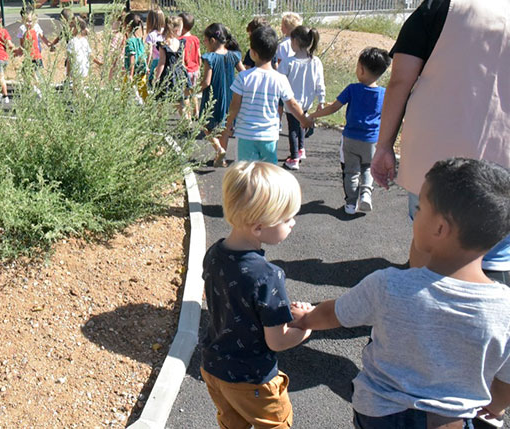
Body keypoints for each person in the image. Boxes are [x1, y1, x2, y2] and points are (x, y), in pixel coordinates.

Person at [292, 158, 510, 429]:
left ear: (439, 228)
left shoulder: (388, 285)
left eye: (420, 209)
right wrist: (496, 405)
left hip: (380, 413)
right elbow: (506, 381)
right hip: (448, 421)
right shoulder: (505, 309)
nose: (415, 215)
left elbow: (334, 313)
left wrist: (306, 318)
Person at [371, 0, 510, 272]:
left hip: (434, 159)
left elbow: (400, 80)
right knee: (496, 255)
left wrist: (384, 146)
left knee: (428, 246)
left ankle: (418, 315)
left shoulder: (445, 1)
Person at [201, 161, 313, 429]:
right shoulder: (267, 275)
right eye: (286, 219)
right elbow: (277, 341)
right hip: (252, 379)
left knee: (231, 424)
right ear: (258, 227)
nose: (293, 223)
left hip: (213, 368)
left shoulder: (214, 253)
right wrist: (306, 325)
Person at [309, 48, 390, 215]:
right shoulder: (384, 93)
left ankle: (350, 204)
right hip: (372, 140)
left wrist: (313, 115)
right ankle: (366, 193)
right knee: (368, 168)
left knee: (351, 171)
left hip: (351, 138)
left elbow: (333, 107)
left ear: (361, 69)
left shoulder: (352, 89)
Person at [222, 26, 312, 164]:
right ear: (274, 52)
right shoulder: (280, 79)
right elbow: (292, 104)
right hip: (269, 135)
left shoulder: (243, 77)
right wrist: (303, 120)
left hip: (246, 134)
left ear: (252, 53)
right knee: (268, 172)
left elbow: (235, 105)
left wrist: (228, 123)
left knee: (245, 172)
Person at [277, 26, 326, 171]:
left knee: (293, 128)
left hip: (291, 103)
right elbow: (320, 82)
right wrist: (321, 100)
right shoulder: (315, 62)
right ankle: (301, 149)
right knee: (302, 123)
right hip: (307, 101)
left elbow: (279, 81)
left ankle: (294, 158)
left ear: (296, 41)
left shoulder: (288, 62)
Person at [199, 22, 245, 167]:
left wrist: (194, 89)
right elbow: (244, 73)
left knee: (205, 124)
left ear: (212, 41)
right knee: (225, 127)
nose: (204, 44)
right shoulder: (234, 55)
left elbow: (206, 81)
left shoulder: (210, 58)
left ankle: (218, 149)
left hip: (213, 95)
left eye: (205, 41)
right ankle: (221, 158)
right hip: (230, 95)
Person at [153, 16, 187, 100]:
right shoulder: (181, 43)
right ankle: (186, 113)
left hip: (166, 75)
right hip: (179, 73)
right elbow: (182, 61)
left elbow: (162, 62)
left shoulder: (163, 44)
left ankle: (161, 113)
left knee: (161, 100)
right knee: (180, 101)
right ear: (177, 30)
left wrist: (156, 78)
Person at [179, 12, 201, 120]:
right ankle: (196, 111)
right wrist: (199, 67)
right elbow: (199, 55)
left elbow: (181, 57)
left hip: (186, 70)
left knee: (186, 94)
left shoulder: (180, 40)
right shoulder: (195, 39)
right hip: (195, 69)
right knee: (194, 92)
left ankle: (188, 116)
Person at [123, 12, 148, 102]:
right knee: (143, 92)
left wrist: (130, 74)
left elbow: (132, 57)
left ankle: (123, 108)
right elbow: (143, 54)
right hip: (141, 70)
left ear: (128, 25)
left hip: (133, 72)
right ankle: (149, 110)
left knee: (124, 94)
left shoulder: (130, 41)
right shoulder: (139, 39)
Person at [145, 7, 165, 80]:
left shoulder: (151, 35)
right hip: (166, 61)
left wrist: (146, 65)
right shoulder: (166, 33)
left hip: (156, 61)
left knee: (152, 82)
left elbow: (149, 52)